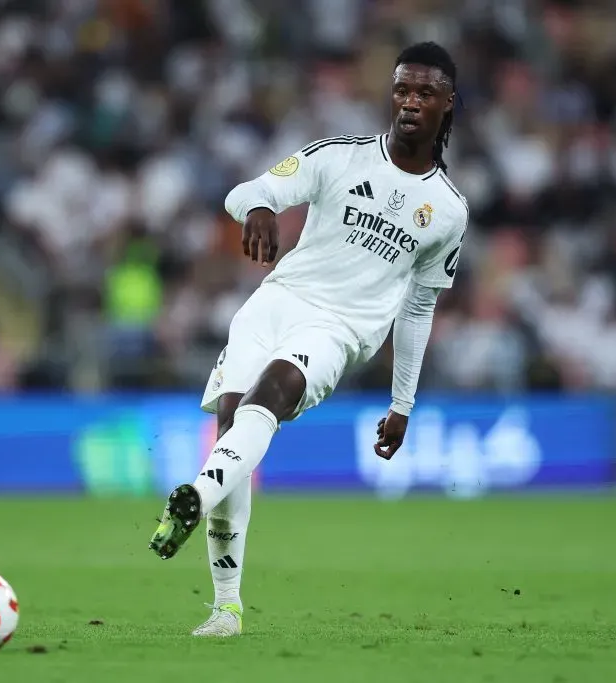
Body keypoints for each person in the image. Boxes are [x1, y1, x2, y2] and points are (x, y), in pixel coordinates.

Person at [148, 42, 469, 637]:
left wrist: (402, 403)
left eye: (425, 93)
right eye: (402, 89)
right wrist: (260, 209)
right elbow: (245, 192)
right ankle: (225, 609)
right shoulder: (338, 156)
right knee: (233, 429)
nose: (410, 102)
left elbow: (419, 308)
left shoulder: (448, 211)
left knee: (272, 394)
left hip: (340, 328)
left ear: (447, 103)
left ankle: (194, 495)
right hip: (274, 304)